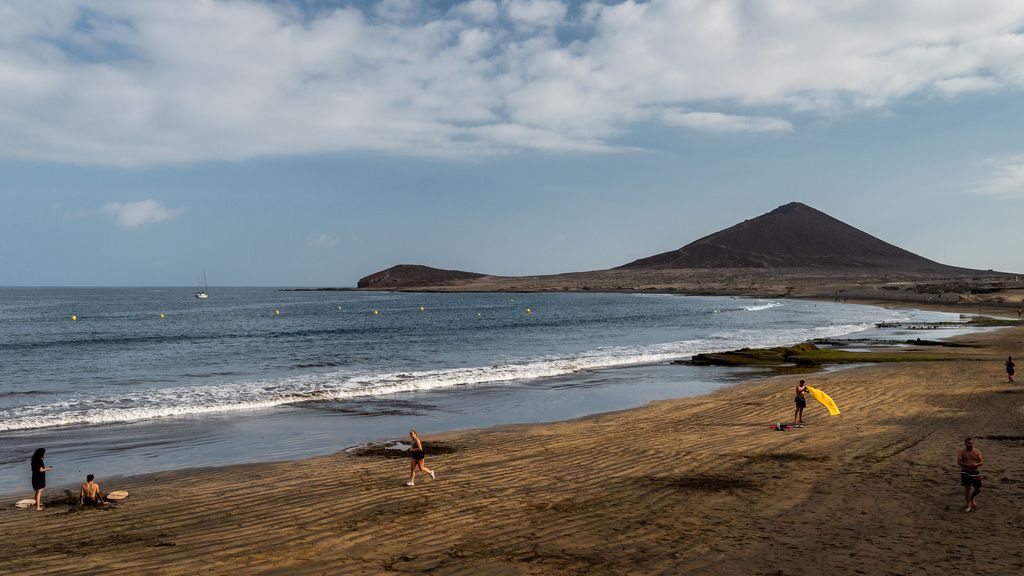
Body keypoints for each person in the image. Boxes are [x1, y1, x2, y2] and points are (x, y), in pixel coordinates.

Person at [957, 437, 984, 512]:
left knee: (978, 489)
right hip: (965, 472)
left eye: (971, 443)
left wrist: (977, 464)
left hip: (975, 472)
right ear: (965, 443)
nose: (970, 444)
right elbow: (959, 462)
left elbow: (981, 461)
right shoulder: (962, 452)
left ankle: (971, 499)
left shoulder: (976, 451)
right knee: (967, 489)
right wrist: (966, 465)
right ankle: (968, 504)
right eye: (969, 443)